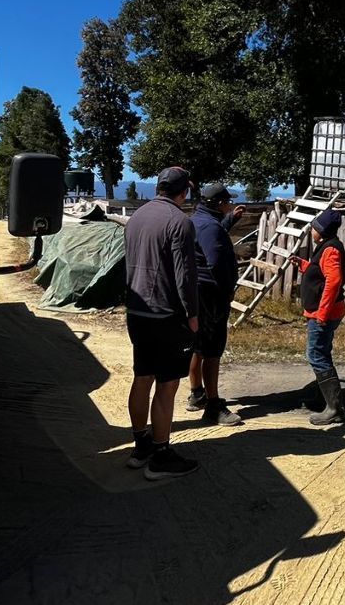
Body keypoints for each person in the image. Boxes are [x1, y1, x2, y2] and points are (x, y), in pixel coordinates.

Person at [123, 166, 200, 479]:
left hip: (138, 311)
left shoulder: (136, 217)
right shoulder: (180, 221)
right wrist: (193, 316)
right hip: (166, 315)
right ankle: (161, 455)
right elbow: (185, 277)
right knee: (167, 385)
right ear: (184, 192)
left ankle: (141, 445)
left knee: (143, 377)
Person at [185, 183, 246, 426]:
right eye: (227, 202)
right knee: (211, 350)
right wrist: (228, 291)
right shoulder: (210, 227)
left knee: (198, 346)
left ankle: (197, 393)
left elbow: (208, 236)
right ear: (219, 203)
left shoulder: (196, 220)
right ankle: (213, 406)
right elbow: (217, 264)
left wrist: (230, 220)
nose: (229, 204)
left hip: (196, 293)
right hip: (211, 295)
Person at [288, 209, 345, 426]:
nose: (311, 229)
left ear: (320, 231)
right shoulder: (326, 247)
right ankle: (326, 397)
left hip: (324, 313)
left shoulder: (330, 249)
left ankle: (335, 408)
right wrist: (304, 265)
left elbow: (333, 281)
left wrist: (322, 314)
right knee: (322, 352)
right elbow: (320, 273)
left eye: (314, 226)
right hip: (326, 311)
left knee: (316, 354)